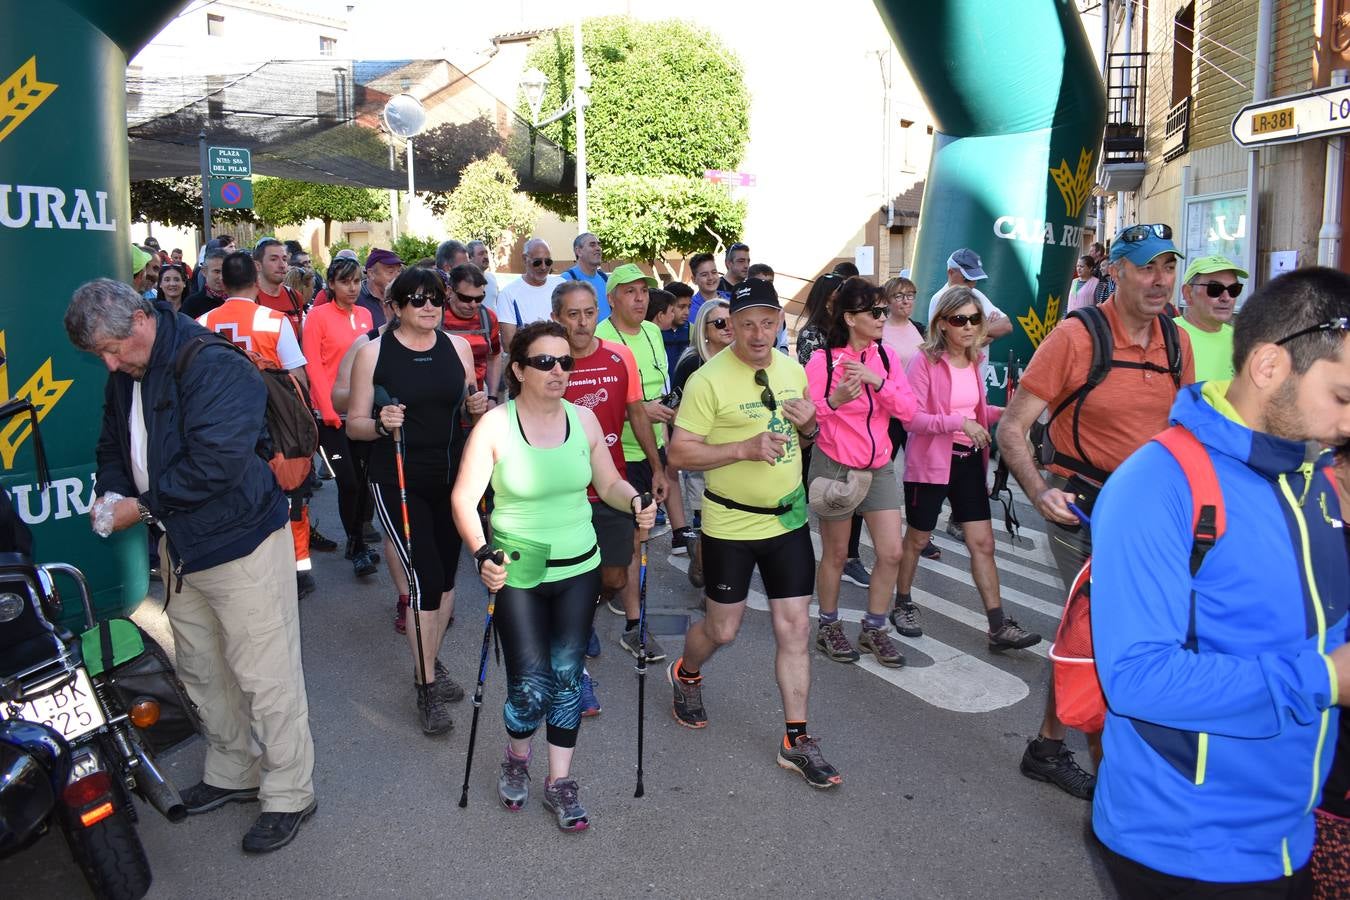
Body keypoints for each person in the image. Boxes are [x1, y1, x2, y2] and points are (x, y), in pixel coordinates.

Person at [1090, 266, 1350, 895]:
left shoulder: (1312, 476)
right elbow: (1136, 679)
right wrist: (1326, 679)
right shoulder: (1156, 486)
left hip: (1287, 834)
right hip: (1185, 849)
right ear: (1268, 368)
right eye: (1343, 397)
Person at [66, 279, 316, 854]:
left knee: (265, 676)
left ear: (139, 321)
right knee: (203, 669)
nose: (107, 362)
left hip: (241, 541)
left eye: (110, 348)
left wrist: (141, 507)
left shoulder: (212, 363)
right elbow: (113, 446)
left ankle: (289, 792)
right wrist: (110, 494)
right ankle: (234, 772)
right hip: (181, 544)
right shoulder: (127, 370)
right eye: (98, 355)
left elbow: (217, 463)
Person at [995, 222, 1195, 800]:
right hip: (1078, 501)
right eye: (1146, 267)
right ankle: (1117, 779)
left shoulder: (1175, 341)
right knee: (1107, 626)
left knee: (1111, 629)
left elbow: (1187, 430)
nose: (1160, 281)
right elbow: (1013, 427)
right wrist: (1038, 493)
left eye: (1167, 267)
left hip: (1149, 507)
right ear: (1116, 271)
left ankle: (1048, 746)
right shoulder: (1076, 338)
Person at [451, 320, 656, 831]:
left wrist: (633, 500)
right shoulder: (496, 425)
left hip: (579, 568)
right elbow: (463, 498)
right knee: (529, 684)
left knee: (566, 679)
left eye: (565, 361)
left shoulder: (583, 420)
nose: (559, 370)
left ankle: (559, 781)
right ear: (518, 370)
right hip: (518, 570)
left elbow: (606, 480)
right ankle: (517, 759)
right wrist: (481, 553)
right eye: (545, 362)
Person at [666, 279, 842, 788]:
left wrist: (811, 427)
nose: (758, 333)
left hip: (786, 521)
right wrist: (741, 449)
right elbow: (680, 454)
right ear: (732, 327)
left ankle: (796, 739)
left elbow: (806, 437)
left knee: (795, 629)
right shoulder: (708, 381)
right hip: (730, 523)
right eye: (747, 324)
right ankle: (686, 673)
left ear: (779, 324)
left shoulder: (791, 371)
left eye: (768, 322)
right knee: (723, 630)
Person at [348, 268, 486, 735]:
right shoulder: (374, 352)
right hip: (398, 479)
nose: (429, 307)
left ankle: (427, 661)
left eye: (435, 299)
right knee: (424, 579)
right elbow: (353, 425)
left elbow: (468, 404)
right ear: (398, 306)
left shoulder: (459, 348)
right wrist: (382, 422)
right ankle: (426, 685)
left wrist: (476, 409)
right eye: (417, 300)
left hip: (453, 477)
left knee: (447, 581)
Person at [894, 286, 1040, 653]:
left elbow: (977, 414)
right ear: (942, 324)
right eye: (960, 320)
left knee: (983, 544)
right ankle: (902, 602)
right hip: (931, 465)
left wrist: (1004, 415)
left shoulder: (974, 361)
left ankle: (997, 626)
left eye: (975, 319)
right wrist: (959, 423)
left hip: (968, 464)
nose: (969, 327)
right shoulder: (924, 361)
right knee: (917, 539)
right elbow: (912, 419)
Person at [551, 280, 661, 714]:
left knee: (614, 577)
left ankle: (575, 616)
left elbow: (636, 412)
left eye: (588, 312)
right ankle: (575, 668)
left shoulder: (620, 356)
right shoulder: (550, 362)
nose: (582, 322)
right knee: (571, 579)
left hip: (613, 484)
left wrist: (656, 466)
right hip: (565, 493)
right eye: (573, 314)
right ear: (558, 317)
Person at [805, 277, 917, 667]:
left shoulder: (883, 359)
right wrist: (834, 401)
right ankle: (829, 626)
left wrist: (878, 381)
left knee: (891, 552)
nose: (883, 317)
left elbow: (908, 410)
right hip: (835, 467)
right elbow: (808, 419)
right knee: (836, 553)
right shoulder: (823, 361)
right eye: (876, 311)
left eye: (884, 310)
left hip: (879, 467)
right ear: (851, 318)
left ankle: (873, 628)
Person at [595, 264, 674, 654]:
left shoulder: (653, 331)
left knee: (638, 540)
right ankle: (619, 614)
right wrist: (642, 410)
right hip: (610, 455)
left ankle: (632, 621)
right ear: (612, 299)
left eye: (644, 290)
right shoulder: (599, 340)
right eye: (630, 291)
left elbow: (656, 389)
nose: (640, 298)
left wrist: (661, 450)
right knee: (623, 543)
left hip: (649, 448)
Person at [301, 255, 378, 579]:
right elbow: (313, 366)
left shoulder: (364, 315)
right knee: (347, 481)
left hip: (362, 412)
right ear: (331, 284)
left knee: (365, 482)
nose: (352, 287)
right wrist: (329, 410)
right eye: (345, 281)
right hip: (328, 414)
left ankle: (357, 539)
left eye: (357, 281)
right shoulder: (317, 317)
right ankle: (356, 544)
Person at [795, 271, 872, 585]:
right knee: (823, 499)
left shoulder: (851, 334)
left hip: (855, 431)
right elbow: (811, 386)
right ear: (826, 301)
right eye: (836, 297)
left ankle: (851, 556)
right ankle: (824, 555)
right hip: (822, 428)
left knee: (857, 499)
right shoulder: (812, 335)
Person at [669, 298, 734, 586]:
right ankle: (708, 573)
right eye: (719, 322)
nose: (727, 327)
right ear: (704, 330)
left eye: (731, 320)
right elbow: (673, 407)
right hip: (701, 455)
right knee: (709, 520)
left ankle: (711, 564)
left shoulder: (741, 359)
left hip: (734, 455)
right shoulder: (692, 361)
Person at [1176, 253, 1247, 383]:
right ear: (1188, 293)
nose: (1226, 298)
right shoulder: (1166, 336)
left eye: (1234, 289)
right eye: (1215, 289)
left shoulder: (1240, 340)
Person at [441, 262, 503, 397]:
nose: (473, 305)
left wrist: (492, 396)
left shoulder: (488, 318)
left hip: (476, 398)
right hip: (441, 397)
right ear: (450, 291)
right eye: (466, 298)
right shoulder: (435, 316)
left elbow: (494, 356)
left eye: (479, 298)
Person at [926, 248, 1013, 342]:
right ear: (951, 272)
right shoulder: (939, 298)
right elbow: (944, 342)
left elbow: (1006, 325)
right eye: (967, 278)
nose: (972, 284)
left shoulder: (977, 294)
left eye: (975, 278)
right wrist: (987, 332)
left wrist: (974, 334)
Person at [496, 238, 564, 352]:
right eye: (537, 262)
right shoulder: (508, 294)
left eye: (548, 262)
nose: (543, 267)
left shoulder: (561, 285)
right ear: (524, 259)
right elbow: (508, 344)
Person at [252, 239, 305, 339]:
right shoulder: (250, 298)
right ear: (257, 265)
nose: (281, 265)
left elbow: (300, 338)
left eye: (284, 259)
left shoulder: (294, 296)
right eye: (274, 259)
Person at [561, 232, 610, 320]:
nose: (598, 248)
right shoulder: (566, 279)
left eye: (599, 245)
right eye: (592, 245)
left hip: (607, 333)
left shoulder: (605, 278)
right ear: (578, 251)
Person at [359, 248, 403, 328]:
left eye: (399, 271)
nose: (397, 276)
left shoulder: (402, 298)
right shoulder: (355, 298)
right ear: (371, 274)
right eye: (391, 272)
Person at [182, 246, 228, 318]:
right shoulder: (192, 303)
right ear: (204, 271)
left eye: (225, 271)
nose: (221, 277)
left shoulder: (237, 300)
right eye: (217, 271)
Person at [661, 280, 695, 375]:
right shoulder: (656, 331)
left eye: (689, 307)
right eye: (681, 307)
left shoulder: (693, 331)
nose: (687, 312)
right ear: (668, 306)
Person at [688, 251, 728, 322]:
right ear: (694, 280)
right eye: (704, 274)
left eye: (714, 272)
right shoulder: (690, 308)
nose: (711, 278)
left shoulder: (730, 300)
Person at [467, 240, 500, 318]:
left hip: (494, 327)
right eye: (481, 254)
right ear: (470, 257)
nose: (485, 256)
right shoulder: (465, 281)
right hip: (475, 327)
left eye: (486, 253)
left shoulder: (492, 278)